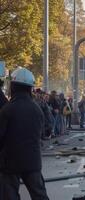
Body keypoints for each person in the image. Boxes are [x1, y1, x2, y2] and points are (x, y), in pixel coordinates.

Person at [0, 67, 49, 200]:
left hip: (10, 163)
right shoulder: (37, 109)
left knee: (9, 195)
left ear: (13, 87)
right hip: (33, 161)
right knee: (39, 195)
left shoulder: (7, 110)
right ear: (30, 88)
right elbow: (43, 132)